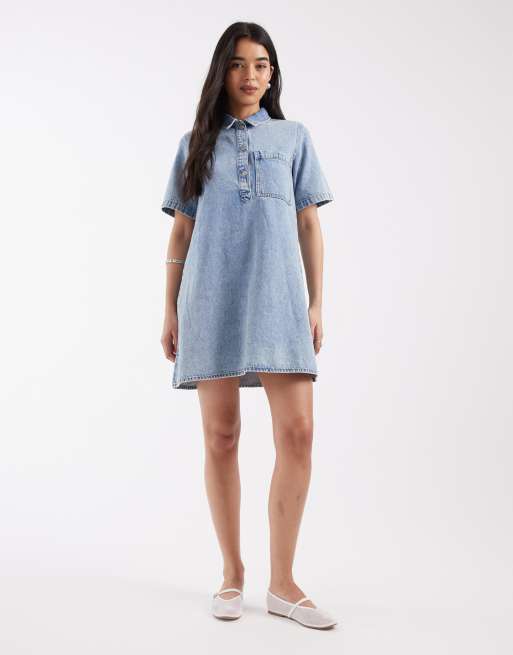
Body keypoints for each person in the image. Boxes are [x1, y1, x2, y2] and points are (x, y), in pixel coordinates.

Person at [160, 22, 338, 630]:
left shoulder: (293, 137)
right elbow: (181, 231)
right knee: (222, 436)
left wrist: (316, 303)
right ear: (223, 71)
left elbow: (309, 223)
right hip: (211, 297)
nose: (251, 75)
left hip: (280, 298)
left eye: (262, 65)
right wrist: (169, 309)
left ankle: (283, 583)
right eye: (239, 64)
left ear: (272, 73)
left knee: (299, 433)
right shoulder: (194, 144)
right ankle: (232, 573)